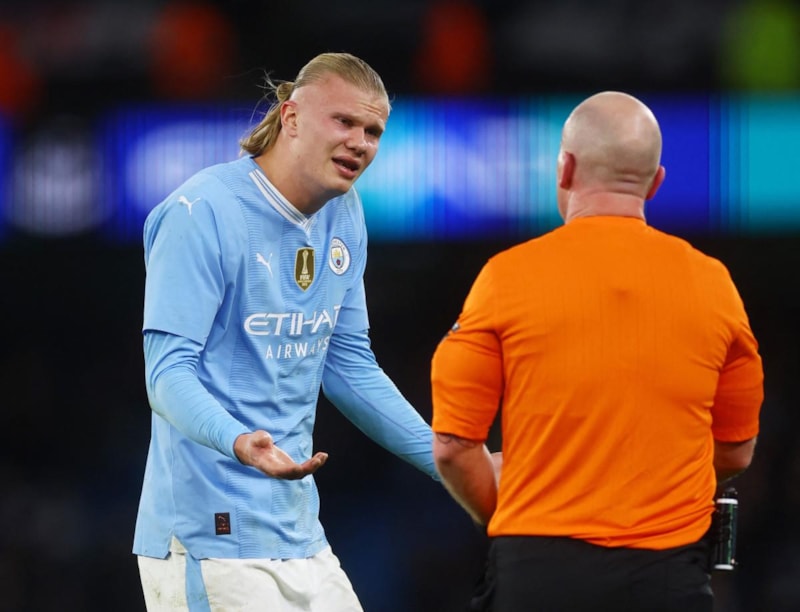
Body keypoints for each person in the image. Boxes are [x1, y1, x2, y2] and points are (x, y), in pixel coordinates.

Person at [430, 91, 764, 611]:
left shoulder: (505, 278)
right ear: (655, 182)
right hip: (669, 578)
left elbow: (454, 446)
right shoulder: (714, 284)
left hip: (537, 576)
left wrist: (505, 511)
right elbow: (736, 450)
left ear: (564, 168)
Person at [133, 52, 443, 612]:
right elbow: (166, 375)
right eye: (344, 121)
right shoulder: (201, 211)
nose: (359, 143)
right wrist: (238, 440)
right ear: (291, 116)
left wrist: (446, 460)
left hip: (299, 533)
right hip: (211, 537)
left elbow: (349, 366)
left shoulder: (345, 214)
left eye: (373, 131)